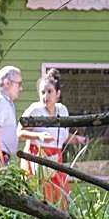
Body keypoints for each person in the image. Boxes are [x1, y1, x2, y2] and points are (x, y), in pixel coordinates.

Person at [21, 72, 86, 207]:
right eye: (42, 92)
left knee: (60, 197)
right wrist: (38, 136)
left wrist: (78, 139)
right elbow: (19, 132)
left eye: (49, 91)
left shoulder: (62, 110)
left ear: (58, 93)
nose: (46, 96)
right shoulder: (34, 110)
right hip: (37, 157)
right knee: (39, 197)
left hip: (56, 158)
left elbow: (63, 136)